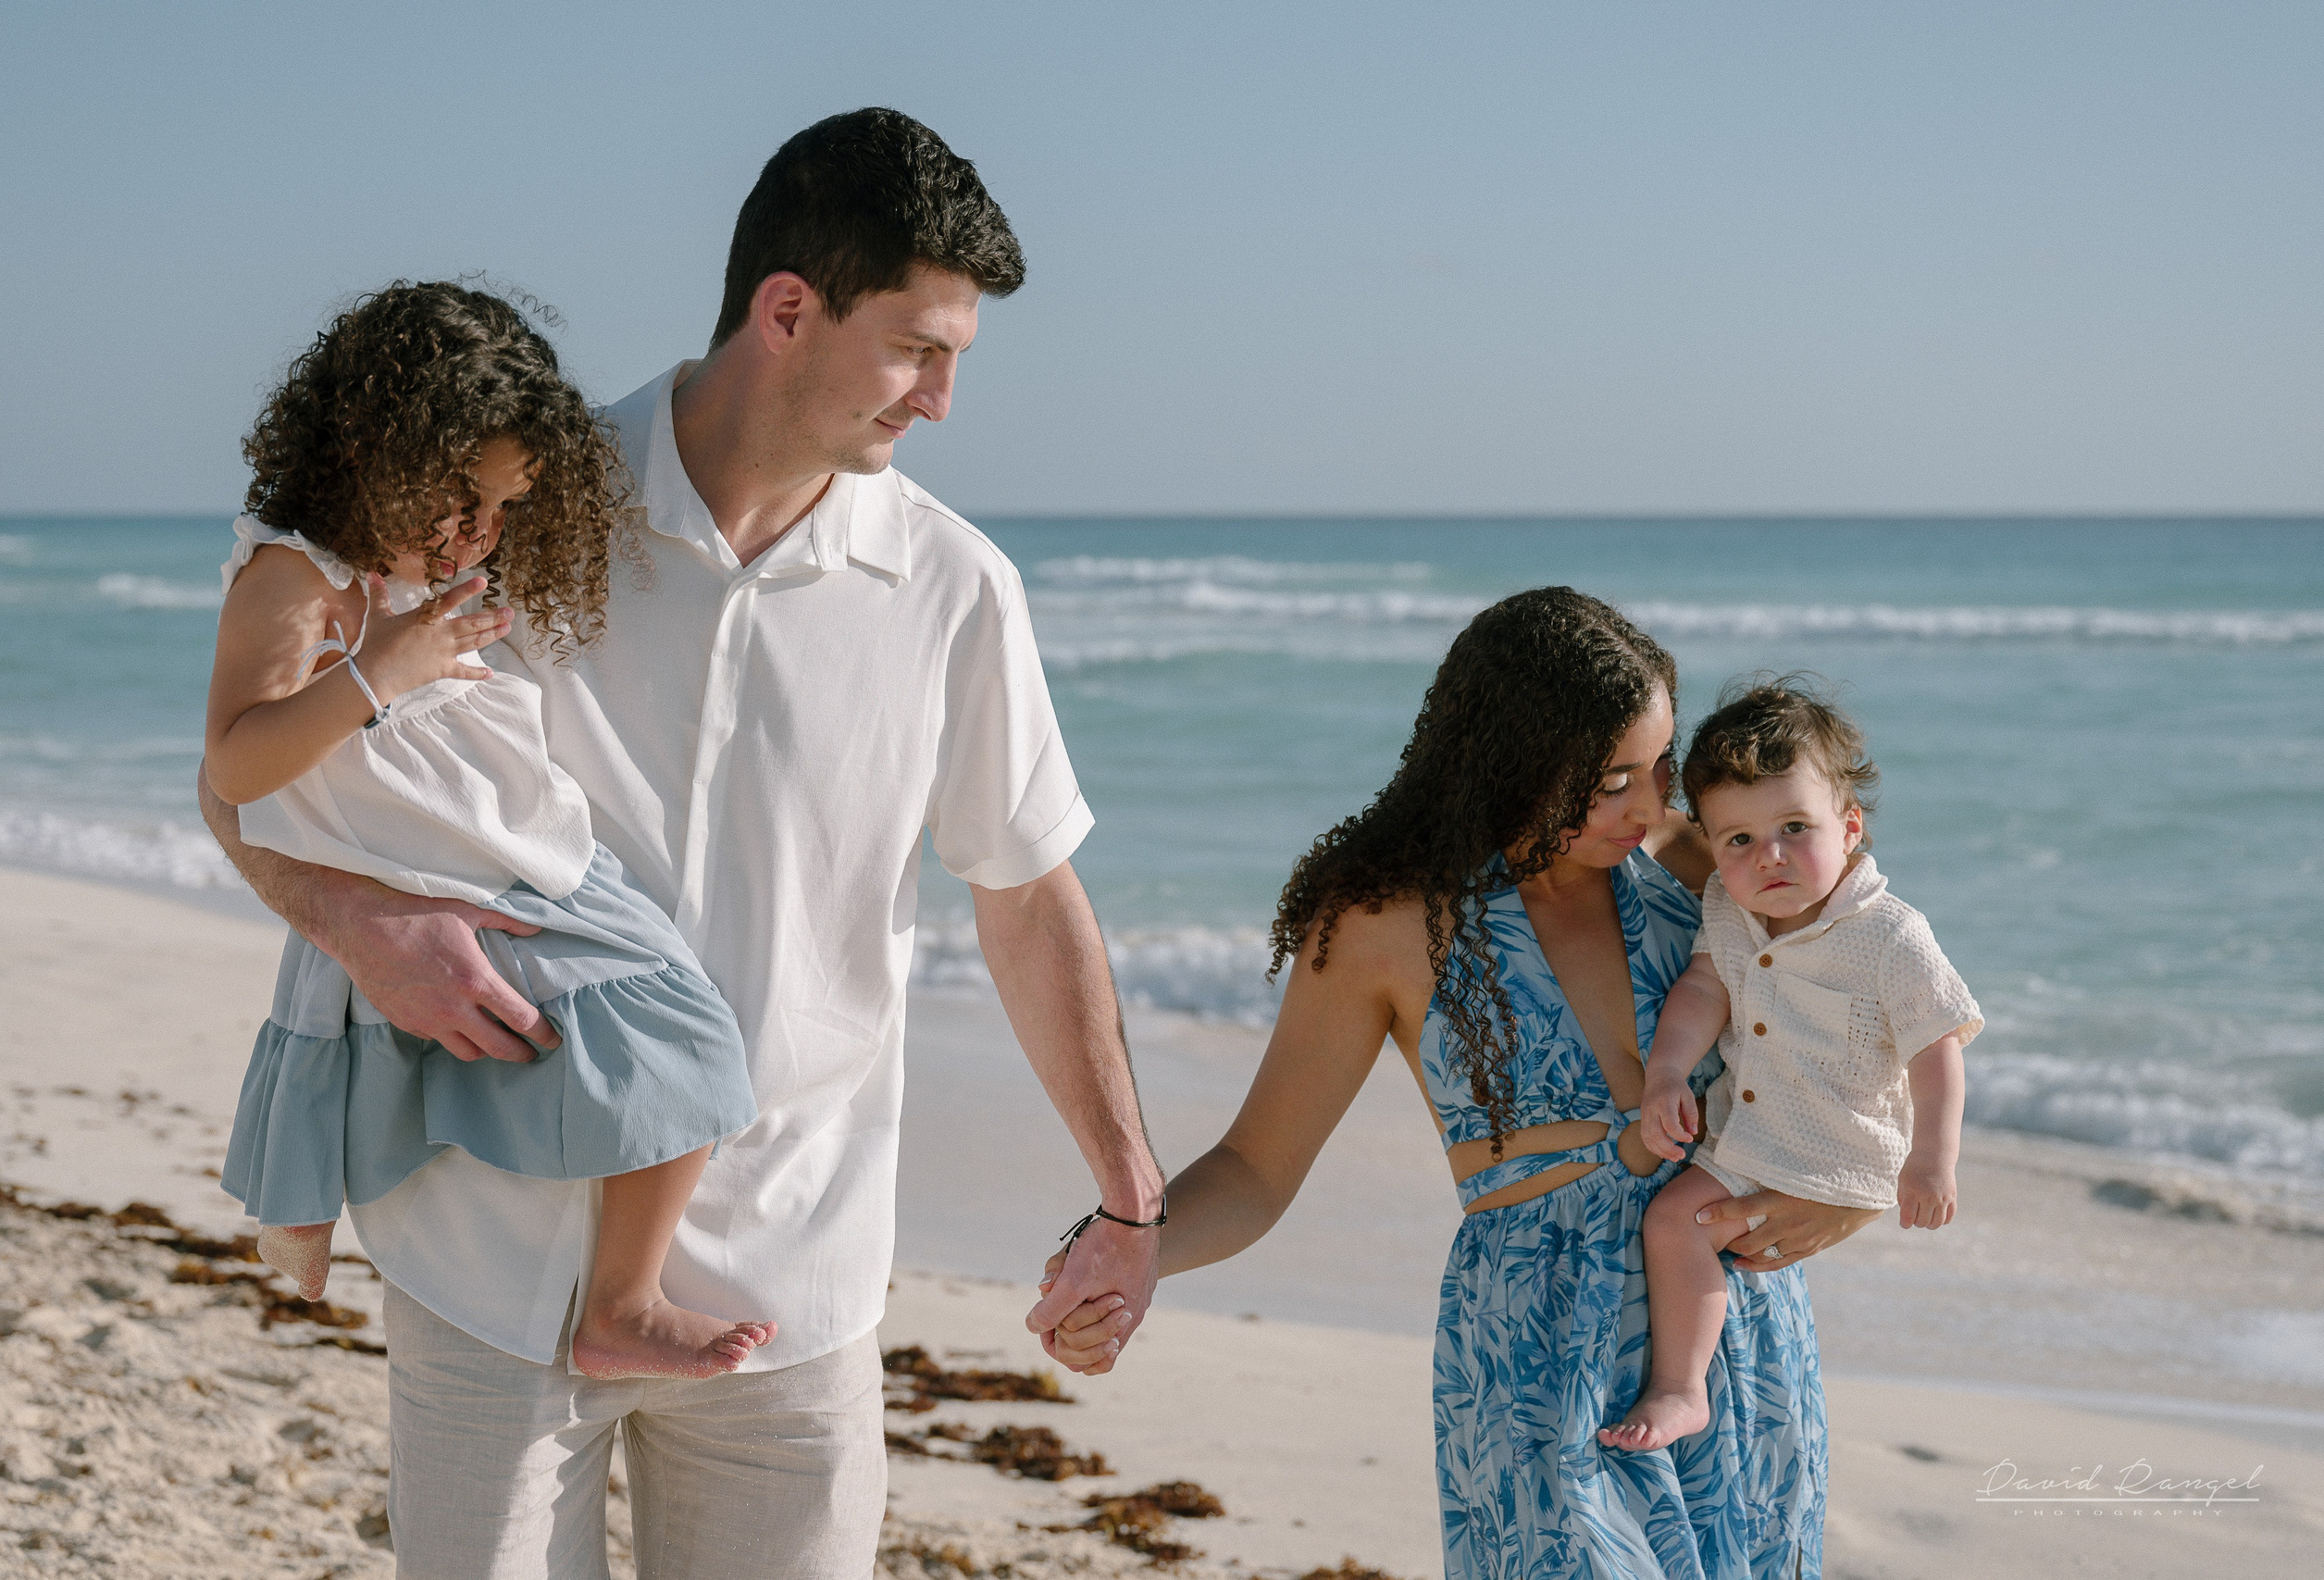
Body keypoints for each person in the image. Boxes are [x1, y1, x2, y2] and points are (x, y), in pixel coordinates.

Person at [201, 108, 1163, 1579]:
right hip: (486, 1244)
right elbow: (249, 778)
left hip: (792, 1278)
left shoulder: (954, 589)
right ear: (789, 309)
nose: (945, 399)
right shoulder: (511, 505)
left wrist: (1125, 1191)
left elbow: (1026, 891)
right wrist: (359, 927)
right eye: (919, 346)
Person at [1041, 589, 1874, 1579]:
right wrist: (1133, 1250)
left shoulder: (1705, 863)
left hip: (1728, 1326)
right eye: (1609, 780)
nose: (1647, 806)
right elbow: (1257, 1166)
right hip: (1534, 1350)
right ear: (1511, 761)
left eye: (1657, 768)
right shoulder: (1386, 922)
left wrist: (1848, 1197)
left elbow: (1871, 1019)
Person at [207, 280, 771, 1383]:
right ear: (383, 449)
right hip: (441, 868)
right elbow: (234, 762)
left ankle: (611, 1296)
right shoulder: (294, 580)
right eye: (472, 497)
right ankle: (620, 1302)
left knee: (675, 1037)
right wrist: (380, 670)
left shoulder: (424, 576)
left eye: (509, 508)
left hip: (514, 855)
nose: (487, 532)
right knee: (684, 1031)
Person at [1597, 678, 1977, 1453]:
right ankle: (1681, 1388)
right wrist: (1667, 1074)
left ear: (1850, 825)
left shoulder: (1888, 933)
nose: (1767, 856)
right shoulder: (1729, 913)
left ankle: (1684, 1384)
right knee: (1676, 1224)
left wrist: (1932, 1161)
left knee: (1698, 1226)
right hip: (1757, 1138)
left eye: (1794, 828)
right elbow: (1704, 989)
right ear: (1708, 840)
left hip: (1847, 1151)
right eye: (1737, 839)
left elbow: (1936, 1046)